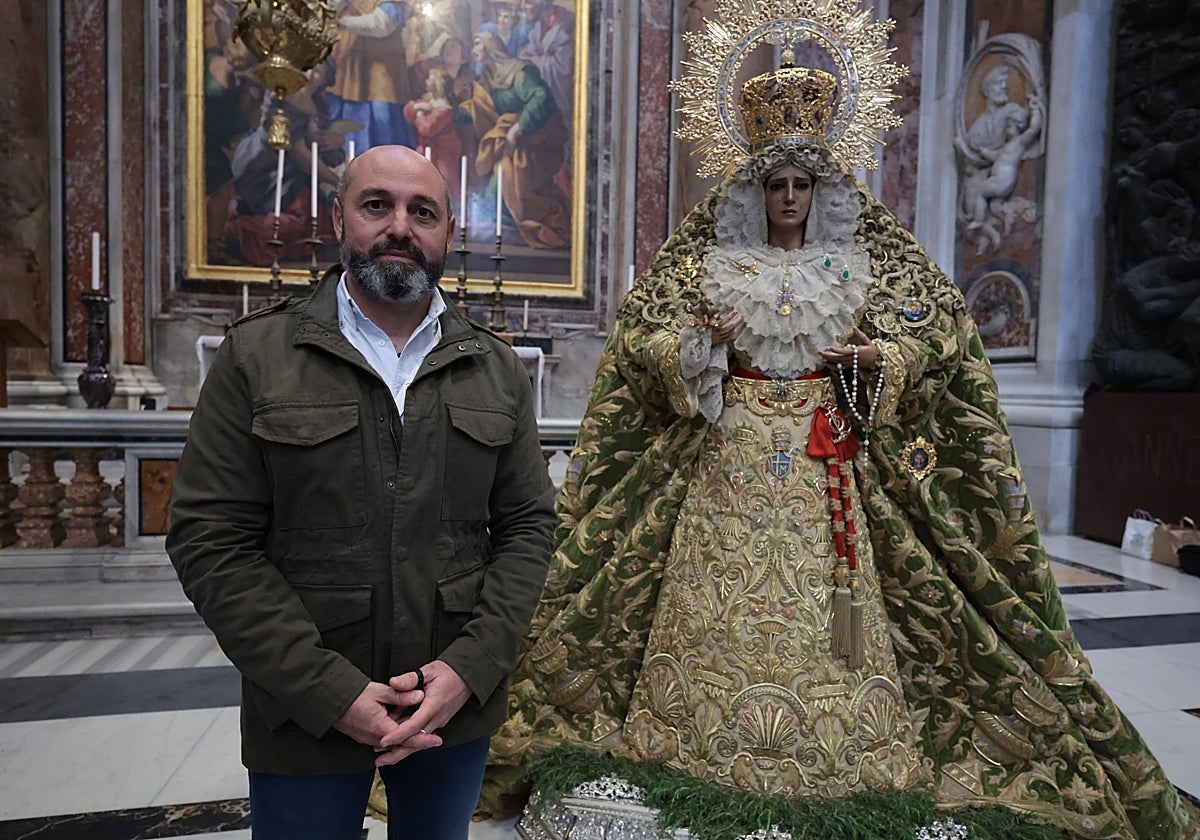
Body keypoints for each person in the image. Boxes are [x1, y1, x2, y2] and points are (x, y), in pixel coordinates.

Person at [482, 46, 1196, 840]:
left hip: (826, 457)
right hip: (735, 451)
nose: (787, 198)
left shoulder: (857, 264)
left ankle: (842, 746)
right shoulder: (714, 262)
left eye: (800, 185)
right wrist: (701, 347)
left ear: (819, 189)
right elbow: (644, 346)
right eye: (774, 185)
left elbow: (941, 343)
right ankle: (695, 735)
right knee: (718, 587)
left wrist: (877, 360)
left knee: (837, 595)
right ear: (753, 189)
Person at [167, 144, 557, 839]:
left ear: (448, 233)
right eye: (378, 205)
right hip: (302, 705)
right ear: (340, 218)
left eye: (423, 211)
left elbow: (528, 527)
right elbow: (211, 539)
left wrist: (468, 669)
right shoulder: (258, 357)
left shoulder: (494, 369)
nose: (400, 227)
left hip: (451, 707)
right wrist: (330, 691)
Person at [459, 30, 571, 248]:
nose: (474, 50)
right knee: (492, 190)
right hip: (504, 146)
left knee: (501, 186)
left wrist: (518, 128)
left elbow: (542, 99)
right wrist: (457, 103)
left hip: (533, 143)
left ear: (490, 46)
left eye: (477, 44)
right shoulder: (485, 80)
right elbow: (481, 111)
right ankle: (504, 239)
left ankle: (512, 237)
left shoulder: (519, 72)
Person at [327, 0, 416, 151]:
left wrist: (342, 22)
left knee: (382, 118)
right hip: (349, 68)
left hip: (380, 70)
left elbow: (381, 25)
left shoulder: (391, 4)